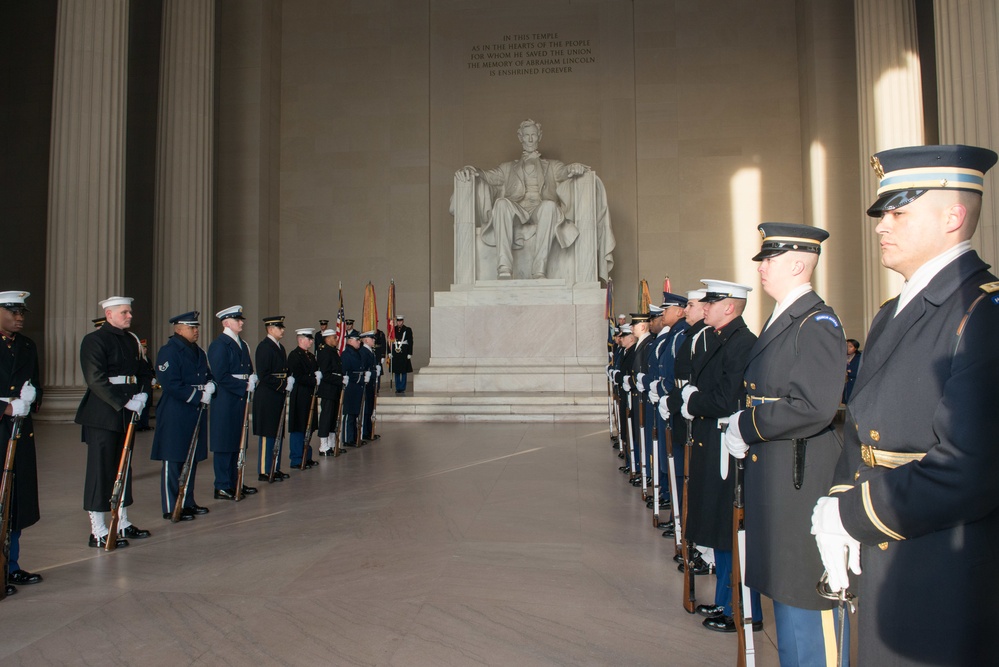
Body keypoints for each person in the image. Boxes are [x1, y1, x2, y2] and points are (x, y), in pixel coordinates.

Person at [811, 144, 999, 664]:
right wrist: (840, 498)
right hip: (886, 555)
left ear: (953, 217)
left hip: (938, 571)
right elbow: (863, 430)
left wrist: (853, 513)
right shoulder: (893, 311)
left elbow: (970, 472)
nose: (881, 226)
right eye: (882, 214)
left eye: (899, 212)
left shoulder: (981, 312)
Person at [720, 223, 846, 663]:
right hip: (776, 476)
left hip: (799, 479)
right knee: (787, 600)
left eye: (768, 259)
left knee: (807, 603)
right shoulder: (785, 317)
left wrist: (747, 424)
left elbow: (814, 406)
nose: (761, 268)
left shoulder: (817, 322)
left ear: (797, 263)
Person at [666, 279, 762, 632]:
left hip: (727, 445)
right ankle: (725, 599)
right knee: (721, 530)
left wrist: (691, 400)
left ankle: (742, 609)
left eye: (712, 301)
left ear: (729, 307)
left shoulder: (741, 343)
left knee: (731, 529)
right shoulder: (720, 340)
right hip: (712, 441)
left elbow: (724, 398)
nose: (704, 306)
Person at [455, 119, 592, 279]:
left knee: (549, 206)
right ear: (520, 137)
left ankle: (539, 270)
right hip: (517, 210)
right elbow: (487, 176)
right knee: (501, 204)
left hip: (540, 209)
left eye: (534, 135)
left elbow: (564, 172)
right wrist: (470, 170)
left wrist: (572, 168)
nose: (530, 139)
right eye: (526, 135)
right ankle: (504, 268)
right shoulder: (507, 168)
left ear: (539, 136)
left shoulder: (552, 166)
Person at [75, 296, 153, 548]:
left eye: (129, 312)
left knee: (123, 467)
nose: (130, 316)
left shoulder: (130, 340)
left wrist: (141, 394)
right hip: (103, 413)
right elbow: (95, 379)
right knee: (101, 470)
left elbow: (143, 371)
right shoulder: (94, 340)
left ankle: (121, 521)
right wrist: (123, 402)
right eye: (124, 312)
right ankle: (97, 529)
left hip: (127, 409)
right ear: (109, 315)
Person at [150, 311, 213, 521]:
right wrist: (197, 396)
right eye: (191, 327)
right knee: (173, 459)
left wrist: (211, 385)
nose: (196, 331)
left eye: (196, 327)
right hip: (176, 411)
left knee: (191, 458)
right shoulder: (169, 351)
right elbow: (170, 383)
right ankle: (171, 506)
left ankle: (187, 500)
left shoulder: (198, 351)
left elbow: (207, 374)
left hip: (194, 410)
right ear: (178, 329)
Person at [0, 291, 42, 596]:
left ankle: (10, 565)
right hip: (4, 423)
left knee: (15, 501)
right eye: (13, 311)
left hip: (19, 431)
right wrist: (6, 407)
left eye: (22, 312)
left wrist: (31, 398)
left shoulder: (27, 345)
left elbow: (36, 382)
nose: (19, 317)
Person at [206, 305, 257, 500]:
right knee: (224, 443)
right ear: (227, 323)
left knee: (237, 442)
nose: (241, 322)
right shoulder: (219, 345)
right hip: (226, 399)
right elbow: (220, 375)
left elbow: (248, 368)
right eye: (238, 319)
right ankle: (221, 485)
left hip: (239, 397)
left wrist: (251, 378)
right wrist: (243, 385)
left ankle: (235, 481)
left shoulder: (242, 344)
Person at [253, 315, 291, 482]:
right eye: (279, 327)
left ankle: (274, 467)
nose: (282, 330)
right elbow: (264, 374)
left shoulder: (280, 347)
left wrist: (287, 379)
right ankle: (264, 469)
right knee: (267, 433)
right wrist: (282, 384)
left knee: (277, 431)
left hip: (277, 394)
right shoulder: (264, 347)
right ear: (270, 329)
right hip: (268, 395)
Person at [287, 327, 320, 469]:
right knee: (299, 427)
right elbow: (299, 376)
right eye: (309, 338)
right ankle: (296, 458)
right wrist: (314, 379)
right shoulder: (294, 355)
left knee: (309, 427)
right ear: (301, 340)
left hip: (310, 395)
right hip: (300, 395)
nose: (312, 341)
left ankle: (307, 455)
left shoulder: (311, 356)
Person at [316, 327, 343, 455]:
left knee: (333, 417)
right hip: (328, 389)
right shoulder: (325, 352)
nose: (336, 339)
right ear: (327, 339)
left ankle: (332, 444)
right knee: (326, 417)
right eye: (334, 338)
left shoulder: (332, 351)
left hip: (335, 389)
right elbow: (326, 373)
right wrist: (340, 379)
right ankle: (323, 446)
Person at [340, 330, 365, 446]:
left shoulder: (356, 352)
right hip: (350, 387)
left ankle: (354, 437)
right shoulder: (346, 354)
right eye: (357, 340)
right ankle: (347, 438)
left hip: (357, 387)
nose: (359, 342)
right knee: (349, 414)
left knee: (354, 414)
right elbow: (345, 371)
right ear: (350, 341)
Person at [359, 330, 379, 442]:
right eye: (372, 339)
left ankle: (369, 431)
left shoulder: (370, 351)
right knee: (366, 409)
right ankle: (365, 432)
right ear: (366, 340)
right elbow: (364, 367)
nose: (374, 340)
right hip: (366, 383)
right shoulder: (363, 351)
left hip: (371, 383)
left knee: (370, 408)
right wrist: (371, 373)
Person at [390, 316, 414, 394]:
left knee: (403, 371)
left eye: (400, 321)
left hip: (404, 352)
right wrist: (389, 352)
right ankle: (398, 387)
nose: (399, 323)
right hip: (395, 352)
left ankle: (402, 387)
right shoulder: (393, 329)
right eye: (398, 321)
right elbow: (390, 340)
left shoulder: (407, 329)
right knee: (396, 371)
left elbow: (410, 342)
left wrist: (410, 353)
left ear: (403, 321)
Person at [135, 339, 154, 431]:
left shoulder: (148, 360)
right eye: (143, 348)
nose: (145, 349)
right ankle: (139, 425)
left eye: (146, 348)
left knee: (147, 405)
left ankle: (145, 424)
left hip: (147, 384)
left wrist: (152, 378)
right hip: (141, 385)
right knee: (141, 405)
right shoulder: (138, 360)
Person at [842, 338, 861, 404]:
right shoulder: (841, 357)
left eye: (850, 346)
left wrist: (849, 371)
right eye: (846, 346)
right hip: (844, 384)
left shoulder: (859, 358)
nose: (848, 348)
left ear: (855, 348)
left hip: (854, 384)